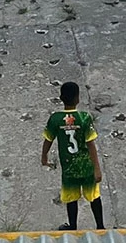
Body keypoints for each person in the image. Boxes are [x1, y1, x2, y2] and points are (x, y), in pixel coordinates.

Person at [41, 82, 104, 231]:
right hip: (86, 166)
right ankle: (100, 226)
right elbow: (91, 145)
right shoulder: (83, 118)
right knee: (94, 196)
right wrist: (97, 169)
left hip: (69, 167)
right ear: (78, 98)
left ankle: (73, 226)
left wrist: (44, 156)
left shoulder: (55, 119)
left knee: (71, 198)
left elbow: (48, 140)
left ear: (61, 98)